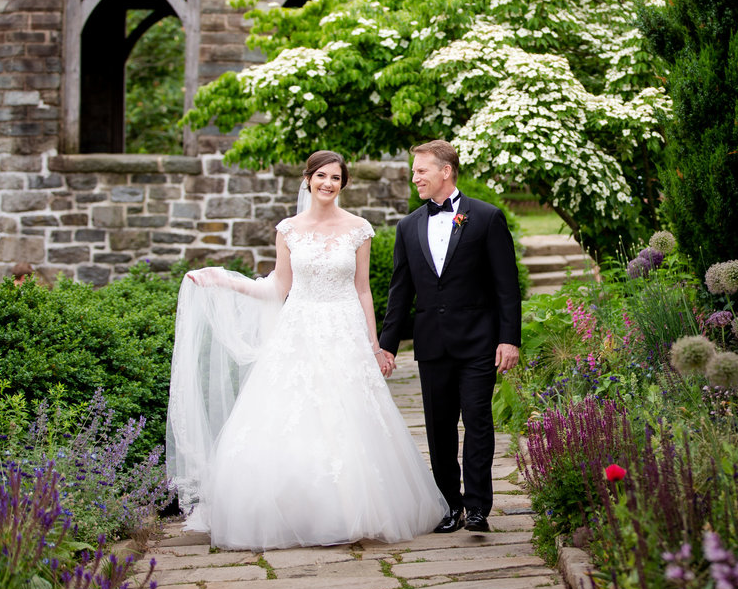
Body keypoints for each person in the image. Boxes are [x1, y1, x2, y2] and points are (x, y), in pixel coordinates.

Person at [166, 150, 447, 550]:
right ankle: (294, 513)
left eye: (335, 177)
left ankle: (354, 510)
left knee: (348, 419)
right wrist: (223, 281)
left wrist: (375, 344)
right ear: (308, 179)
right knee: (292, 417)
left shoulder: (359, 229)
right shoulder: (289, 230)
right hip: (298, 330)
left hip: (344, 330)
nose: (328, 183)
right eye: (321, 176)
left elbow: (363, 290)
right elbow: (277, 287)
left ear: (343, 183)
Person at [378, 140, 521, 534]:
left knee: (477, 423)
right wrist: (387, 344)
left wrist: (509, 339)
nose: (415, 177)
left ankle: (477, 507)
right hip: (432, 343)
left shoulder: (487, 218)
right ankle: (449, 505)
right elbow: (400, 291)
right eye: (413, 171)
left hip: (479, 341)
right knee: (438, 429)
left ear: (446, 171)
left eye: (421, 170)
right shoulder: (408, 227)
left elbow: (506, 287)